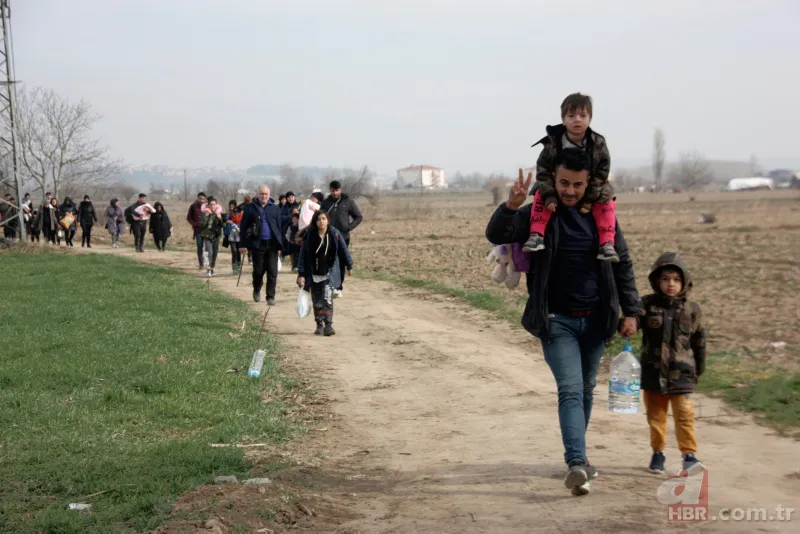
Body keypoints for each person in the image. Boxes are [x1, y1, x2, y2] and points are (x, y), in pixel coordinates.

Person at [485, 148, 641, 496]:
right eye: (564, 183)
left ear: (589, 183)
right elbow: (497, 233)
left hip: (598, 320)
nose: (570, 190)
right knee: (570, 389)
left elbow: (624, 265)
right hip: (556, 320)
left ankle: (580, 459)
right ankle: (575, 462)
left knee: (586, 389)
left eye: (578, 184)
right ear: (554, 181)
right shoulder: (541, 213)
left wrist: (631, 311)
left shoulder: (603, 217)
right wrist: (511, 205)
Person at [522, 93, 618, 263]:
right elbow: (543, 171)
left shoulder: (598, 143)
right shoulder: (553, 142)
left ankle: (606, 243)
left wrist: (589, 200)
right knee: (539, 192)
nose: (577, 120)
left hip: (589, 188)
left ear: (590, 119)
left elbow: (602, 172)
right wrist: (550, 196)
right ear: (563, 119)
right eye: (571, 116)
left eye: (583, 115)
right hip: (557, 185)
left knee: (607, 199)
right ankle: (536, 234)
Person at [637, 252, 707, 474]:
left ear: (684, 282)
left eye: (676, 280)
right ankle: (658, 453)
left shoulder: (692, 310)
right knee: (656, 417)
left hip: (682, 374)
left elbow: (699, 341)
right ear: (657, 281)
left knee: (685, 416)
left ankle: (689, 456)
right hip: (652, 372)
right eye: (665, 279)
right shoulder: (647, 305)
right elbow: (631, 322)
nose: (671, 284)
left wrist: (700, 368)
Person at [297, 211, 353, 336]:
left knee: (327, 298)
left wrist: (349, 265)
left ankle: (328, 325)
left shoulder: (334, 234)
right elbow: (302, 256)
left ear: (327, 220)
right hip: (314, 273)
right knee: (317, 300)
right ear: (315, 222)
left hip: (329, 273)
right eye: (318, 219)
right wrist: (301, 274)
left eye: (323, 219)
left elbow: (344, 249)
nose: (321, 221)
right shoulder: (309, 235)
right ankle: (319, 324)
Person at [240, 185, 286, 305]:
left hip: (272, 245)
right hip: (257, 244)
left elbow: (278, 228)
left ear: (269, 195)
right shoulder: (250, 208)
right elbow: (243, 227)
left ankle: (270, 296)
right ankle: (256, 288)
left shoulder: (275, 208)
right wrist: (242, 244)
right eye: (261, 193)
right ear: (258, 194)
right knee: (258, 271)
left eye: (266, 194)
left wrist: (280, 245)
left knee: (272, 271)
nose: (264, 196)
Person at [320, 180, 362, 297]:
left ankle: (338, 288)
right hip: (328, 237)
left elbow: (358, 217)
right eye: (332, 190)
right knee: (330, 262)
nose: (334, 193)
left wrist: (349, 227)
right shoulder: (325, 203)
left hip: (343, 237)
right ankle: (330, 286)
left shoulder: (348, 202)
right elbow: (320, 218)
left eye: (336, 190)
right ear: (330, 190)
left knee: (341, 262)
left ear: (340, 189)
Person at [198, 197, 225, 276]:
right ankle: (207, 269)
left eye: (214, 204)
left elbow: (223, 225)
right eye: (211, 204)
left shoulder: (219, 213)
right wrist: (206, 216)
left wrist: (220, 218)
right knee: (207, 253)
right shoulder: (204, 213)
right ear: (208, 205)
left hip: (216, 237)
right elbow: (201, 225)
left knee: (214, 253)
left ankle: (212, 268)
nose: (213, 206)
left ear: (216, 205)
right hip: (207, 236)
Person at [186, 192, 207, 269]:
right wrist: (194, 224)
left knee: (207, 246)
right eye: (200, 198)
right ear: (197, 198)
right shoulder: (193, 207)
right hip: (198, 230)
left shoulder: (207, 207)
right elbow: (188, 217)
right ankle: (201, 263)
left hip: (206, 230)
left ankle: (207, 262)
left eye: (203, 199)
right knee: (199, 246)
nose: (201, 200)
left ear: (205, 199)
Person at [224, 200, 243, 274]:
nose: (235, 214)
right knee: (234, 251)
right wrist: (227, 222)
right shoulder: (229, 216)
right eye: (230, 207)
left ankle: (238, 265)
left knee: (238, 251)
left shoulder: (242, 217)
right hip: (231, 236)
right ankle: (234, 267)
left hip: (239, 236)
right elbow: (224, 221)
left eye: (237, 213)